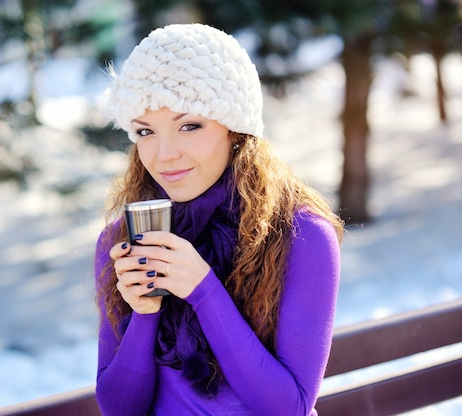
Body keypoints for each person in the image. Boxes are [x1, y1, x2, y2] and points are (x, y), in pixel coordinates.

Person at [94, 23, 344, 416]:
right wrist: (144, 311)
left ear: (236, 129)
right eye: (145, 131)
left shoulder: (299, 234)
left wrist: (203, 290)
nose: (164, 155)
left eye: (189, 126)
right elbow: (118, 408)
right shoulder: (124, 239)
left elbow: (289, 407)